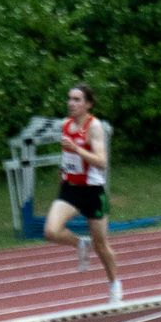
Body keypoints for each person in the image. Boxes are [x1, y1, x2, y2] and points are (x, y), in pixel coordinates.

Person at [43, 84, 122, 305]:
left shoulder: (94, 127)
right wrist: (65, 168)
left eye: (77, 100)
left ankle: (114, 284)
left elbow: (102, 161)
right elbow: (69, 155)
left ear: (88, 104)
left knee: (101, 245)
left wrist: (77, 149)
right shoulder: (66, 125)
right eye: (70, 99)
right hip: (70, 188)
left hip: (93, 191)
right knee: (50, 231)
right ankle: (80, 243)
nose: (71, 103)